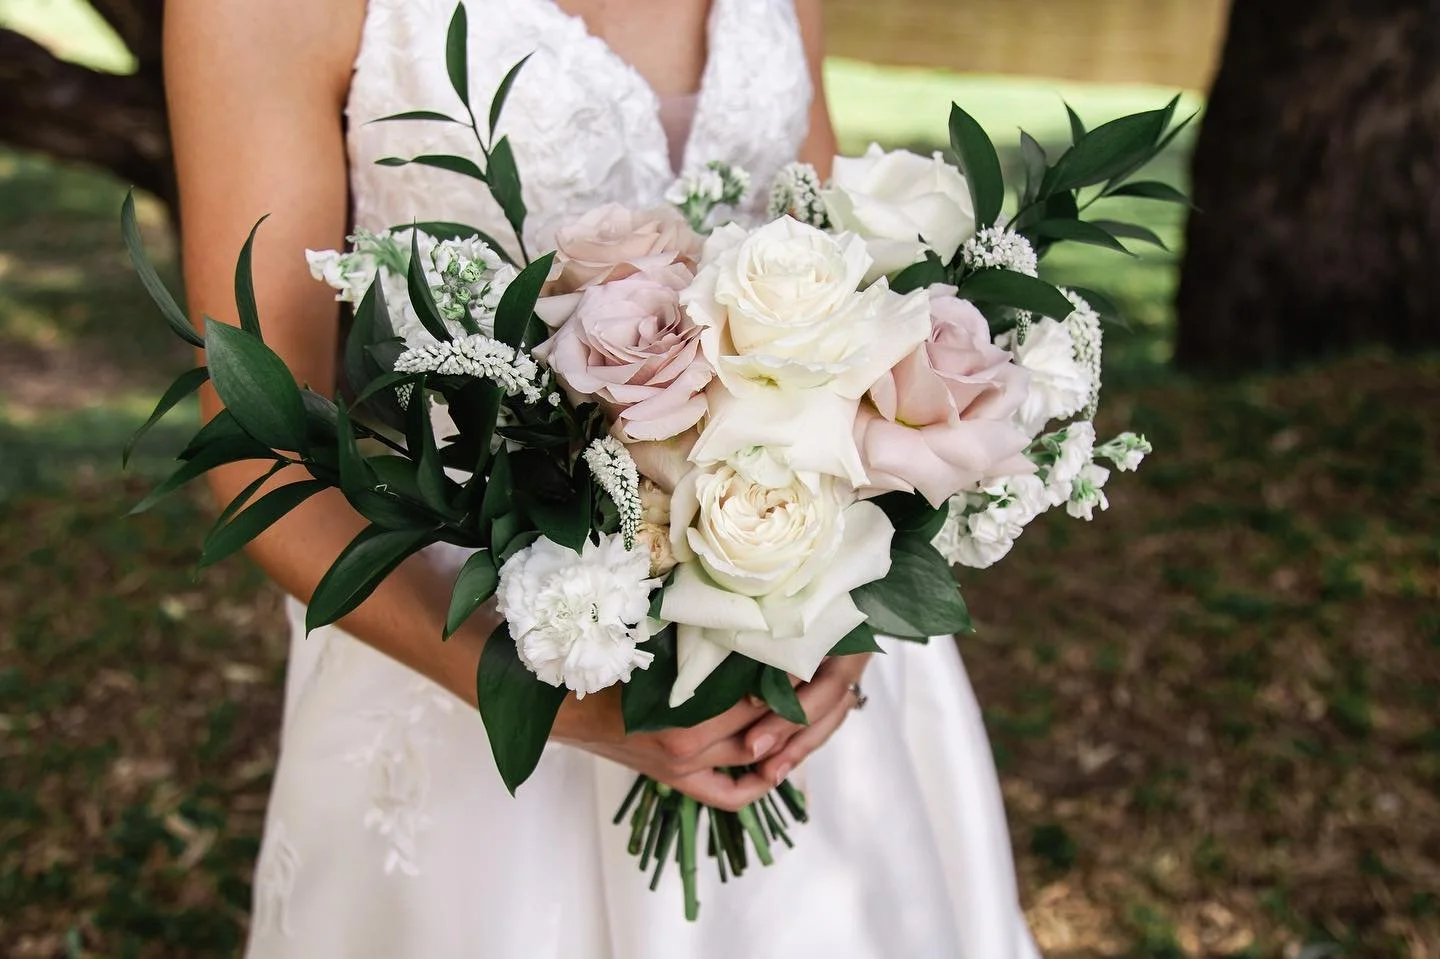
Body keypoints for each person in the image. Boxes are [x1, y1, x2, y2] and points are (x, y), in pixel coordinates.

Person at [165, 0, 1042, 955]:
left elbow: (837, 264)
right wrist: (560, 706)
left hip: (800, 633)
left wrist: (854, 602)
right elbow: (260, 444)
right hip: (471, 642)